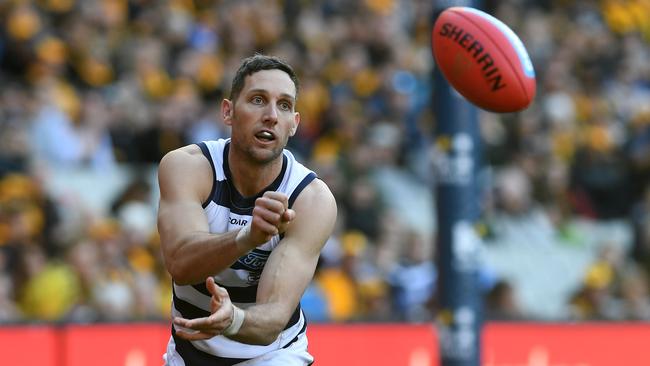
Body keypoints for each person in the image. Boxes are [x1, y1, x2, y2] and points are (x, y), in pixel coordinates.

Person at [156, 54, 337, 365]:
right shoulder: (188, 167)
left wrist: (233, 320)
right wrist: (247, 237)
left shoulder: (311, 199)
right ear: (228, 112)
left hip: (272, 354)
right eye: (257, 100)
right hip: (190, 352)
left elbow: (273, 319)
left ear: (293, 125)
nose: (271, 115)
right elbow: (180, 263)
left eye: (283, 105)